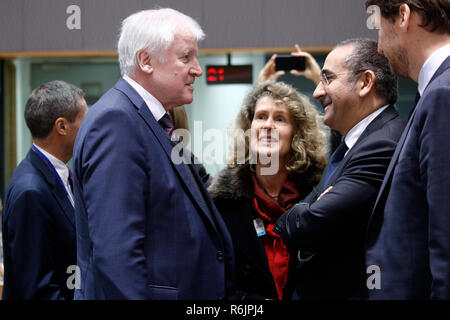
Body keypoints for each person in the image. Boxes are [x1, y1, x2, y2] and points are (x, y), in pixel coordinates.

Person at [72, 8, 234, 300]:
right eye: (186, 57)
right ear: (146, 61)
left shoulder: (153, 121)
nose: (197, 69)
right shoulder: (117, 122)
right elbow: (117, 252)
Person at [273, 39, 406, 299]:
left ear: (365, 83)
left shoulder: (382, 143)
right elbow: (309, 214)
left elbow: (308, 223)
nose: (317, 93)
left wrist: (300, 218)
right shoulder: (353, 143)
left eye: (328, 79)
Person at [208, 80, 329, 300]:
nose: (267, 125)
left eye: (280, 119)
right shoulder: (221, 200)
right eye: (261, 117)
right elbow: (214, 284)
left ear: (297, 134)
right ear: (249, 128)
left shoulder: (320, 195)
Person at [364, 0, 450, 299]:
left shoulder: (442, 95)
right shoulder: (433, 92)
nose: (378, 49)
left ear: (402, 15)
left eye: (379, 29)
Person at [1, 80, 88, 300]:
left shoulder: (58, 175)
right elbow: (37, 289)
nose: (90, 131)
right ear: (62, 127)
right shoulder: (31, 191)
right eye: (85, 123)